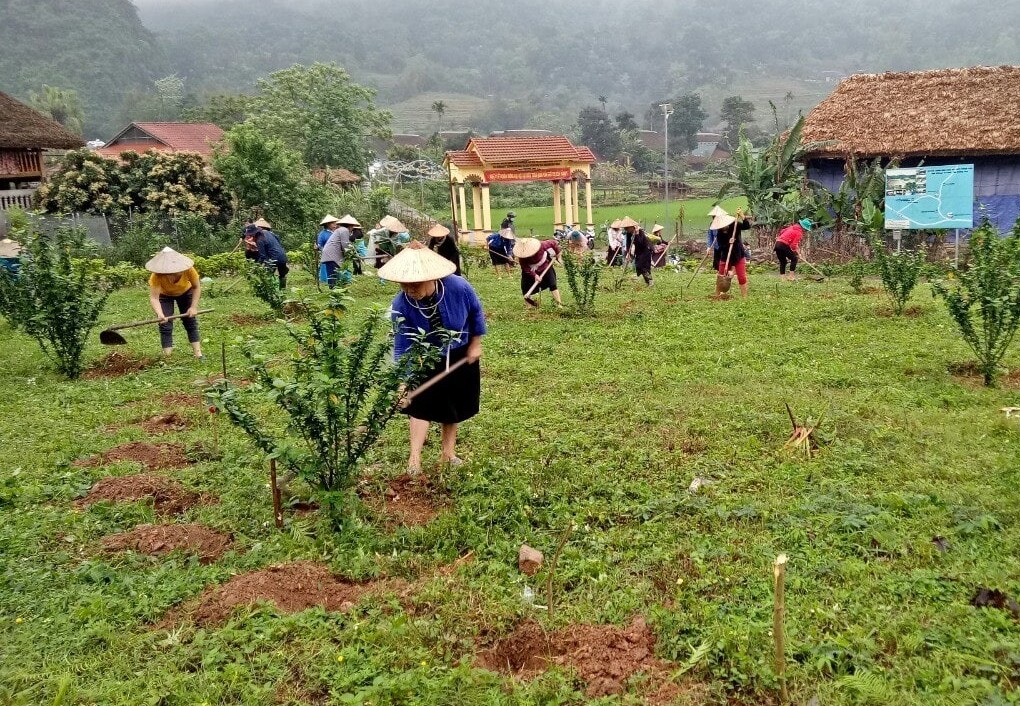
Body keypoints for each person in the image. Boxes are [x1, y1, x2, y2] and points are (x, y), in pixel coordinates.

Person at [380, 241, 486, 475]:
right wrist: (403, 381)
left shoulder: (458, 287)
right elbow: (402, 345)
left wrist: (475, 344)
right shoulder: (400, 304)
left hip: (459, 353)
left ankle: (448, 454)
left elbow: (476, 312)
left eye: (415, 284)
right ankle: (414, 460)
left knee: (453, 405)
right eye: (404, 285)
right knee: (420, 406)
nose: (409, 290)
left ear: (431, 277)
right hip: (424, 357)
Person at [146, 247, 203, 359]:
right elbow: (154, 298)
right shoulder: (157, 275)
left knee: (190, 321)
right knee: (165, 325)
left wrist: (193, 307)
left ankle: (198, 354)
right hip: (164, 295)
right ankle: (168, 357)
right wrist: (160, 314)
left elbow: (196, 287)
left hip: (185, 292)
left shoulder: (189, 270)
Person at [711, 210, 753, 298]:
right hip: (725, 256)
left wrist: (742, 216)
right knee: (721, 276)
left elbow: (747, 226)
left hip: (738, 255)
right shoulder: (719, 233)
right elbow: (721, 247)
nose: (723, 227)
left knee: (742, 277)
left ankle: (744, 298)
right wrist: (728, 243)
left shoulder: (735, 225)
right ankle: (717, 296)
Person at [514, 237, 563, 308]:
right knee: (525, 287)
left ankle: (559, 304)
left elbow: (554, 243)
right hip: (530, 270)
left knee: (552, 283)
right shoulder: (522, 255)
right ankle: (529, 306)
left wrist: (558, 255)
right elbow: (525, 267)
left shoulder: (542, 245)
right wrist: (535, 275)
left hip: (545, 266)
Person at [250, 220, 289, 289]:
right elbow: (278, 243)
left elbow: (262, 256)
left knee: (267, 276)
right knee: (282, 275)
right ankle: (283, 290)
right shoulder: (272, 234)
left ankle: (269, 291)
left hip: (273, 258)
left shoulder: (259, 240)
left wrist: (256, 266)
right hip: (283, 256)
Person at [320, 215, 356, 288]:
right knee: (333, 275)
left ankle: (335, 289)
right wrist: (353, 254)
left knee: (333, 274)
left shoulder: (339, 230)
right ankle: (334, 290)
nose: (353, 228)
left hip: (330, 254)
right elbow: (345, 245)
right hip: (332, 255)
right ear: (350, 225)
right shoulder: (344, 230)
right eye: (352, 226)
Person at [622, 216, 654, 286]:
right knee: (639, 266)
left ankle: (650, 281)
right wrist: (628, 253)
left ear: (632, 226)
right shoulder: (628, 233)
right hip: (639, 251)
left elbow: (640, 243)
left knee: (642, 266)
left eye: (627, 227)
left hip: (646, 250)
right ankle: (648, 282)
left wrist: (636, 234)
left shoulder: (640, 232)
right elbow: (628, 244)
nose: (625, 229)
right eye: (625, 228)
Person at [316, 215, 340, 284]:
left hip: (338, 255)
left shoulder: (336, 232)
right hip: (328, 256)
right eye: (332, 223)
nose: (335, 224)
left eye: (335, 223)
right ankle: (329, 283)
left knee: (338, 271)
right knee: (329, 272)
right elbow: (319, 245)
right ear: (327, 224)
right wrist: (318, 247)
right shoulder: (323, 234)